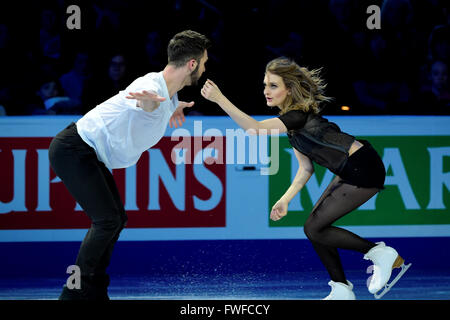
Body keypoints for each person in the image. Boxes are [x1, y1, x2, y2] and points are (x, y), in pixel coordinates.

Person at [201, 57, 411, 300]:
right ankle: (341, 288)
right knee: (314, 228)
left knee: (314, 228)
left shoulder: (297, 117)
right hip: (351, 167)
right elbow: (306, 169)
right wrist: (286, 199)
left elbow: (255, 129)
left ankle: (378, 253)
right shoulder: (293, 126)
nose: (266, 91)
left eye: (273, 86)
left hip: (362, 167)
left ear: (288, 89)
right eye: (265, 85)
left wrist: (219, 99)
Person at [48, 30, 211, 300]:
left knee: (115, 220)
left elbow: (157, 105)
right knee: (107, 220)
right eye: (204, 62)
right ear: (192, 63)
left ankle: (95, 291)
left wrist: (173, 107)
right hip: (74, 149)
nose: (205, 68)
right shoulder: (152, 85)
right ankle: (74, 293)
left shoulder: (167, 95)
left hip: (87, 152)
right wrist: (147, 102)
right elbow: (143, 101)